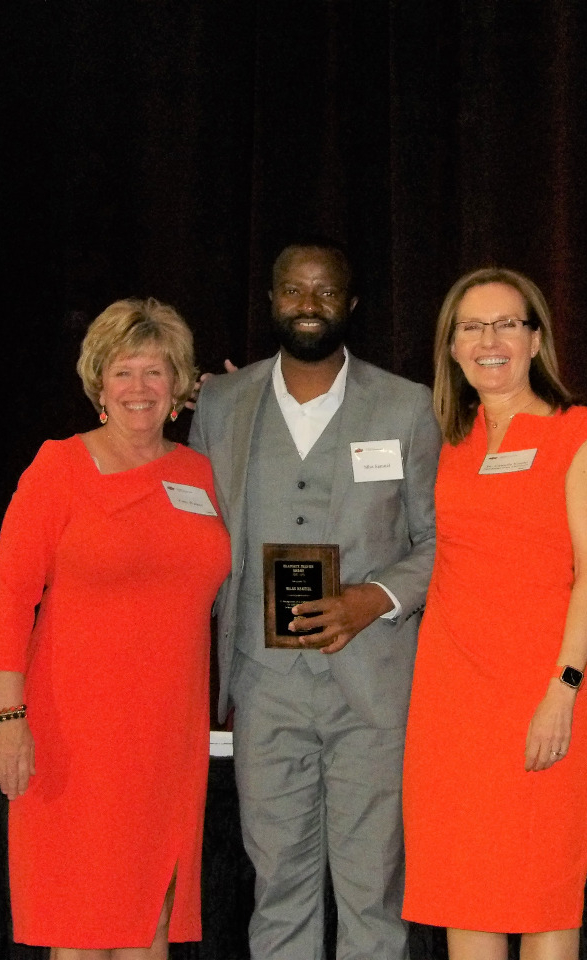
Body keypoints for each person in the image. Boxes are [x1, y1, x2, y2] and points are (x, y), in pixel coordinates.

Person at [189, 239, 439, 960]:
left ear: (350, 305)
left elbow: (437, 542)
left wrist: (377, 596)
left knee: (372, 892)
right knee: (278, 888)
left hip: (374, 687)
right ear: (271, 301)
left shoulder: (407, 406)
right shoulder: (220, 403)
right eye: (293, 290)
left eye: (324, 291)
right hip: (264, 685)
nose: (307, 303)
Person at [0, 298, 230, 960]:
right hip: (76, 737)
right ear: (99, 383)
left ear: (179, 385)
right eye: (124, 371)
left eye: (156, 371)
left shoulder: (201, 474)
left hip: (170, 739)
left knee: (152, 923)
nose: (139, 389)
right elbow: (9, 598)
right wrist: (7, 719)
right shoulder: (59, 467)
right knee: (83, 930)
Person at [401, 268, 587, 960]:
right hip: (452, 704)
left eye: (505, 324)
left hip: (541, 694)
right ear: (451, 346)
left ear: (535, 340)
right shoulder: (449, 441)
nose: (488, 340)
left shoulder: (576, 433)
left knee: (542, 893)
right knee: (465, 892)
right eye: (471, 326)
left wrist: (564, 686)